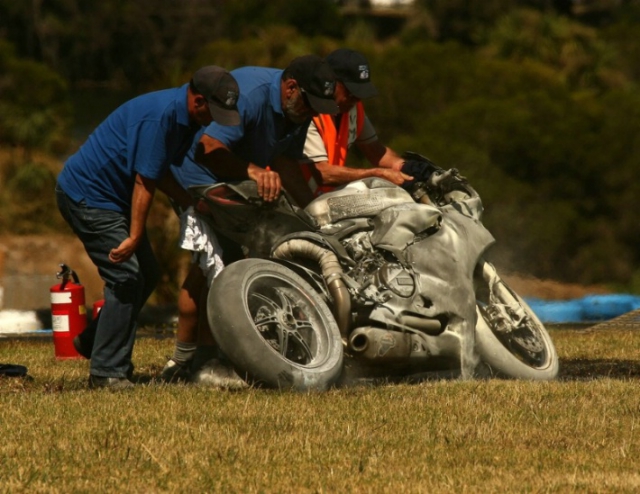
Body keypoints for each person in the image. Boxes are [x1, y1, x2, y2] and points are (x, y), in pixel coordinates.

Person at [55, 66, 240, 389]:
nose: (215, 120)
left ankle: (93, 340)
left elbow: (159, 170)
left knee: (147, 274)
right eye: (215, 111)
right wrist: (136, 235)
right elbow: (144, 181)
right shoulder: (162, 118)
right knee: (126, 276)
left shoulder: (186, 121)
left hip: (111, 199)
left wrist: (189, 201)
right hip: (87, 196)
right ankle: (107, 372)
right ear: (198, 100)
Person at [161, 55, 338, 386]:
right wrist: (254, 171)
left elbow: (285, 162)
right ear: (290, 88)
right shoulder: (250, 94)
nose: (313, 114)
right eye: (310, 105)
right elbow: (208, 147)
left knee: (234, 261)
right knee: (218, 264)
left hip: (240, 180)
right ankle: (197, 362)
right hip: (196, 179)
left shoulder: (297, 110)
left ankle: (194, 359)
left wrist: (316, 211)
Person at [301, 48, 439, 195]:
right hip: (292, 202)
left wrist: (405, 167)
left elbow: (375, 151)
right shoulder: (308, 111)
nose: (356, 100)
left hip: (322, 199)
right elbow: (323, 173)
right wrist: (377, 175)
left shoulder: (353, 108)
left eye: (360, 94)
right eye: (351, 92)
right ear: (330, 81)